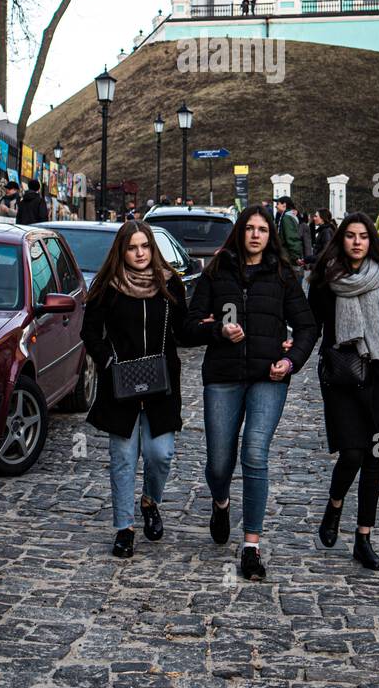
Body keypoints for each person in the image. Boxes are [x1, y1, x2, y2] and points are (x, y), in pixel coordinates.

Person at [184, 205, 318, 580]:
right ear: (240, 232)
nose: (256, 234)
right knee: (218, 463)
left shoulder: (282, 276)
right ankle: (221, 501)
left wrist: (290, 363)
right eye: (250, 228)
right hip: (223, 377)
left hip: (267, 378)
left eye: (262, 229)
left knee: (255, 453)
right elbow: (188, 327)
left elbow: (307, 328)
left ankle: (251, 547)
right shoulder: (215, 271)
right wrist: (217, 332)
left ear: (269, 235)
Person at [308, 212, 379, 570]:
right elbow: (311, 325)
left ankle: (363, 538)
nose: (357, 241)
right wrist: (290, 350)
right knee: (352, 453)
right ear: (341, 240)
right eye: (350, 236)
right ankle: (335, 505)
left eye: (363, 236)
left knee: (374, 457)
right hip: (343, 374)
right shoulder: (326, 281)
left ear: (371, 242)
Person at [81, 222, 188, 557]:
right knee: (123, 459)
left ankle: (149, 501)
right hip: (121, 385)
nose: (140, 254)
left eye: (145, 246)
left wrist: (216, 331)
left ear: (152, 248)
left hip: (162, 384)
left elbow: (183, 332)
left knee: (161, 454)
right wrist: (108, 362)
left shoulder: (170, 285)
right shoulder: (108, 287)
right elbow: (90, 331)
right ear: (121, 251)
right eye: (132, 248)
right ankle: (124, 528)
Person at [275, 196, 304, 272]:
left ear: (284, 204)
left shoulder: (286, 218)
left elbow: (292, 238)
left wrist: (296, 257)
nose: (276, 206)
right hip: (288, 256)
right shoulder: (288, 216)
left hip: (288, 257)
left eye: (278, 204)